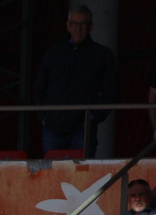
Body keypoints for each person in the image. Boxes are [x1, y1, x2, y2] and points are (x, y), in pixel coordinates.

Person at [31, 6, 114, 155]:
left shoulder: (102, 55)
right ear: (68, 26)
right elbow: (39, 87)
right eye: (75, 24)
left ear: (90, 27)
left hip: (83, 127)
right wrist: (43, 117)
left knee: (83, 174)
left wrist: (94, 118)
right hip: (53, 126)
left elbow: (110, 91)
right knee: (52, 173)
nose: (78, 28)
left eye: (83, 24)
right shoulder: (54, 52)